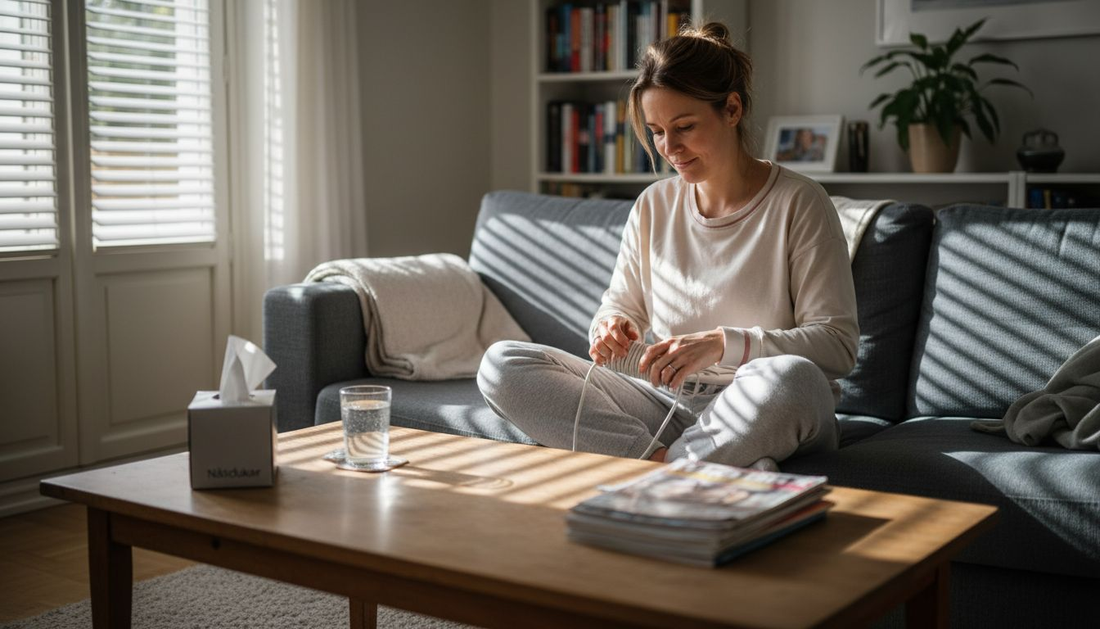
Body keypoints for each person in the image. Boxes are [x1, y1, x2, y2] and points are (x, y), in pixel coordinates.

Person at [477, 22, 858, 471]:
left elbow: (837, 346)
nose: (669, 148)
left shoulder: (799, 202)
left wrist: (721, 344)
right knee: (503, 363)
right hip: (666, 405)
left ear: (731, 109)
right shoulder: (653, 205)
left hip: (760, 405)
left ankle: (670, 471)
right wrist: (610, 327)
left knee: (790, 378)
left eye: (685, 127)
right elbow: (620, 306)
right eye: (657, 131)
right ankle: (674, 466)